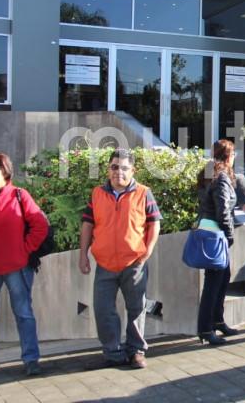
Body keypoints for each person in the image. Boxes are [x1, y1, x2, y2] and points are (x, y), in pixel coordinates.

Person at [79, 149, 161, 369]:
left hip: (134, 262)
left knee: (136, 308)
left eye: (124, 168)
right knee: (103, 309)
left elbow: (154, 223)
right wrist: (83, 255)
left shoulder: (144, 193)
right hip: (104, 264)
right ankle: (113, 352)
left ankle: (136, 351)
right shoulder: (97, 193)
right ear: (108, 169)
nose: (119, 172)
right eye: (114, 167)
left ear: (132, 170)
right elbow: (87, 224)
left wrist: (147, 251)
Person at [0, 153, 49, 378]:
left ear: (5, 171)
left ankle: (31, 359)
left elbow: (40, 225)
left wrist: (24, 249)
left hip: (17, 267)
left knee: (24, 313)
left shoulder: (19, 195)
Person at [195, 139, 239, 345]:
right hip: (217, 235)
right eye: (234, 154)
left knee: (221, 279)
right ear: (228, 156)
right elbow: (223, 211)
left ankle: (218, 321)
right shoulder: (221, 177)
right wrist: (230, 236)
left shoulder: (209, 172)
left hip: (210, 232)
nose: (235, 157)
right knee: (214, 282)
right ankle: (205, 328)